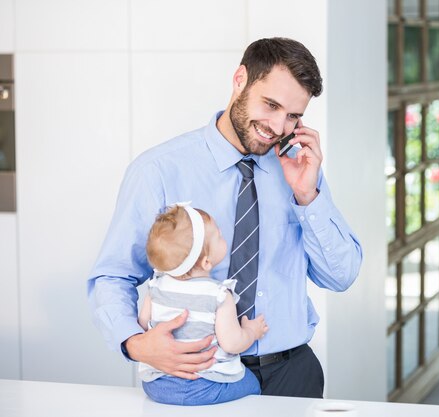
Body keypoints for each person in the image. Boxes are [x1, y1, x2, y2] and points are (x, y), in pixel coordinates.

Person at [87, 37, 362, 398]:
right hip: (198, 379)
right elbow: (114, 274)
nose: (279, 127)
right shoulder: (159, 171)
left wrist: (307, 197)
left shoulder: (297, 170)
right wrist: (135, 343)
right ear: (240, 80)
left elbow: (340, 276)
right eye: (271, 105)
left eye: (293, 115)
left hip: (293, 374)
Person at [138, 202, 268, 405]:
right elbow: (232, 343)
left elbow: (142, 325)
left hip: (158, 384)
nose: (222, 233)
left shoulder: (156, 288)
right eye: (218, 234)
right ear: (207, 262)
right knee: (253, 384)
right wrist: (251, 331)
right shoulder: (218, 295)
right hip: (206, 385)